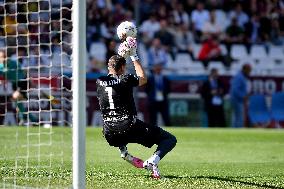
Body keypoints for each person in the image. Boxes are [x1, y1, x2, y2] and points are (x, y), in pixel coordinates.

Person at [96, 50, 177, 178]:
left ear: (108, 67)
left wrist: (120, 57)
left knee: (115, 125)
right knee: (170, 139)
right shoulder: (126, 78)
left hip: (109, 133)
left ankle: (124, 152)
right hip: (129, 127)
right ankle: (152, 161)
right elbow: (143, 79)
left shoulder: (100, 82)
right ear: (123, 67)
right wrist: (133, 55)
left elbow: (114, 74)